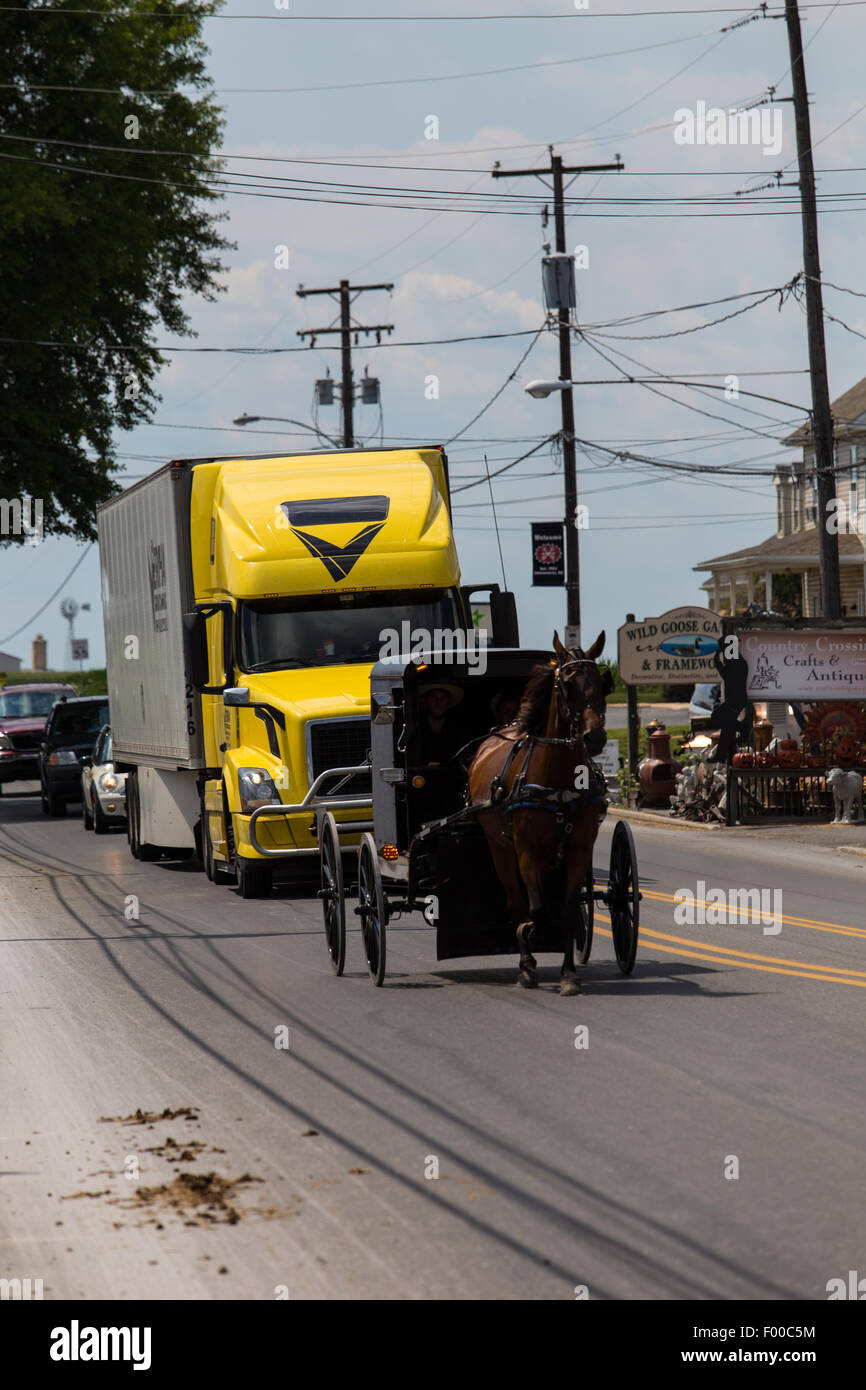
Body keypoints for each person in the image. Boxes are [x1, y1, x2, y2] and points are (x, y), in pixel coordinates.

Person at [416, 684, 464, 765]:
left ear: (448, 702)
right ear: (426, 700)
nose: (438, 701)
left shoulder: (457, 729)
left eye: (443, 698)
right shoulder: (416, 728)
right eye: (433, 697)